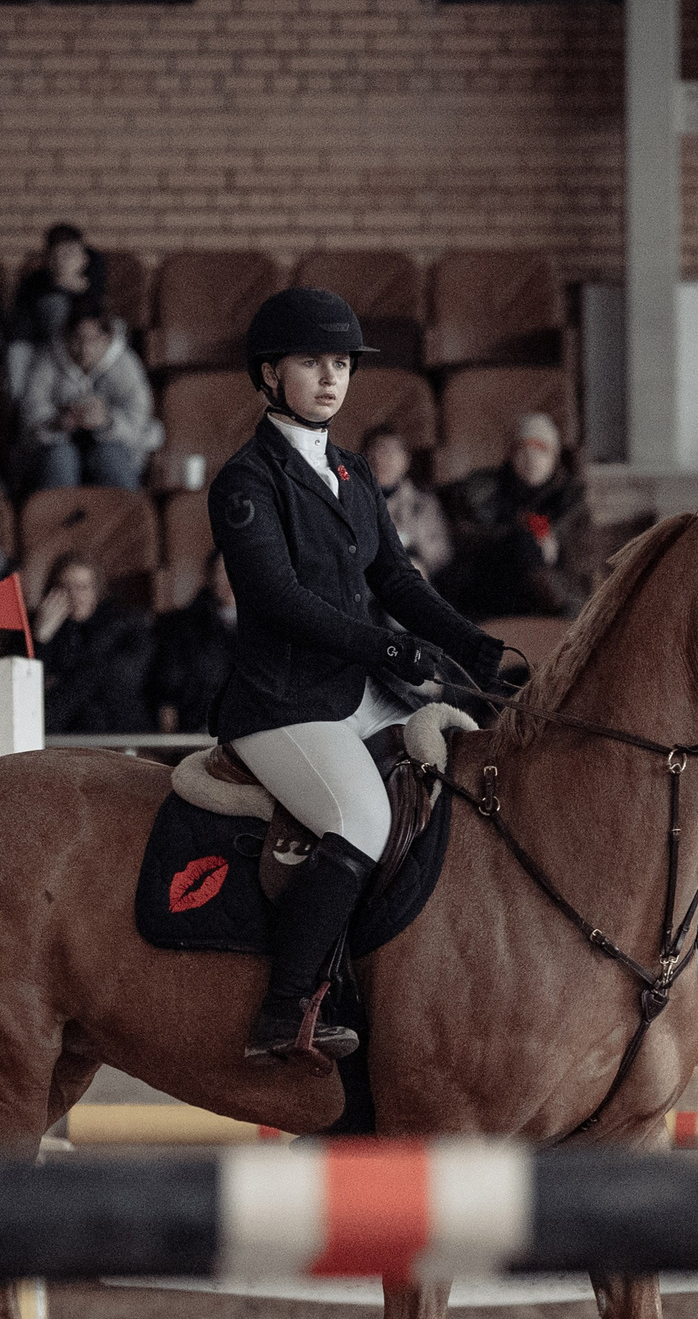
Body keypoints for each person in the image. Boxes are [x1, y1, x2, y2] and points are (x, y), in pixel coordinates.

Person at [208, 287, 509, 1063]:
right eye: (312, 362)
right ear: (269, 374)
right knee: (362, 820)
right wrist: (385, 649)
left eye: (340, 364)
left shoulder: (350, 471)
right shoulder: (246, 481)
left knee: (458, 786)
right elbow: (279, 599)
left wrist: (474, 647)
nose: (330, 378)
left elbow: (398, 582)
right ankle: (285, 1009)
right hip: (284, 703)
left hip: (363, 692)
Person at [437, 412, 588, 618]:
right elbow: (467, 537)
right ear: (511, 455)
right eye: (522, 449)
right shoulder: (483, 490)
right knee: (524, 542)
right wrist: (526, 535)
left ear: (554, 457)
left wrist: (552, 541)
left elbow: (582, 561)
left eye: (540, 450)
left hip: (550, 591)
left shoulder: (571, 498)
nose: (531, 458)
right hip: (490, 583)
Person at [18, 312, 159, 492]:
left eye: (93, 340)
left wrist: (107, 421)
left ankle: (127, 509)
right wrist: (57, 422)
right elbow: (31, 411)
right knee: (60, 459)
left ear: (107, 338)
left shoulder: (125, 362)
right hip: (58, 443)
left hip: (113, 444)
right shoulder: (48, 359)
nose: (85, 349)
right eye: (78, 339)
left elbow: (139, 418)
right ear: (67, 337)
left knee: (111, 458)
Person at [34, 552, 152, 734]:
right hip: (63, 734)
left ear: (96, 591)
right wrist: (41, 639)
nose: (74, 596)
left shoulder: (126, 625)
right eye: (65, 588)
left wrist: (62, 682)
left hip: (117, 730)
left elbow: (124, 679)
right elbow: (28, 689)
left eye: (82, 587)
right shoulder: (38, 628)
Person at [4, 221, 108, 394]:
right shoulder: (34, 282)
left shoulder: (94, 282)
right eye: (57, 256)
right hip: (38, 346)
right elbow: (18, 328)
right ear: (49, 260)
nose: (63, 262)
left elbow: (98, 321)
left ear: (84, 258)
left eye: (70, 254)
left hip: (80, 345)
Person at [147, 549, 236, 734]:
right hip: (197, 729)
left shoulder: (270, 625)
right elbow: (168, 682)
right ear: (211, 577)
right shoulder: (181, 625)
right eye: (222, 571)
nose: (230, 579)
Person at [363, 424, 450, 579]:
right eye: (375, 451)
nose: (381, 459)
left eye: (389, 452)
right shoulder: (351, 501)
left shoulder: (422, 504)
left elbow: (438, 555)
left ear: (405, 460)